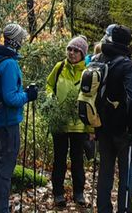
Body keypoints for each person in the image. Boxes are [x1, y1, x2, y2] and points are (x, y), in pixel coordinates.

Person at [0, 23, 39, 213]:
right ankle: (0, 209)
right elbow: (10, 98)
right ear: (15, 41)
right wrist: (28, 95)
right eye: (21, 39)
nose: (23, 42)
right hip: (8, 121)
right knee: (5, 168)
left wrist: (22, 93)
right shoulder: (9, 64)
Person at [93, 24, 132, 213]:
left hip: (102, 126)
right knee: (127, 174)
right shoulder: (127, 65)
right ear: (127, 43)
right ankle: (124, 209)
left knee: (105, 172)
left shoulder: (97, 60)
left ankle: (103, 209)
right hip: (123, 130)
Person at [45, 36, 92, 207]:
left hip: (79, 124)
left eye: (76, 51)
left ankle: (78, 193)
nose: (71, 53)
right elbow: (49, 85)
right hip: (60, 122)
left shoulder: (88, 71)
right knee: (59, 159)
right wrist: (50, 98)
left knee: (77, 159)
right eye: (70, 49)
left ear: (82, 53)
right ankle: (58, 193)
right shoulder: (59, 67)